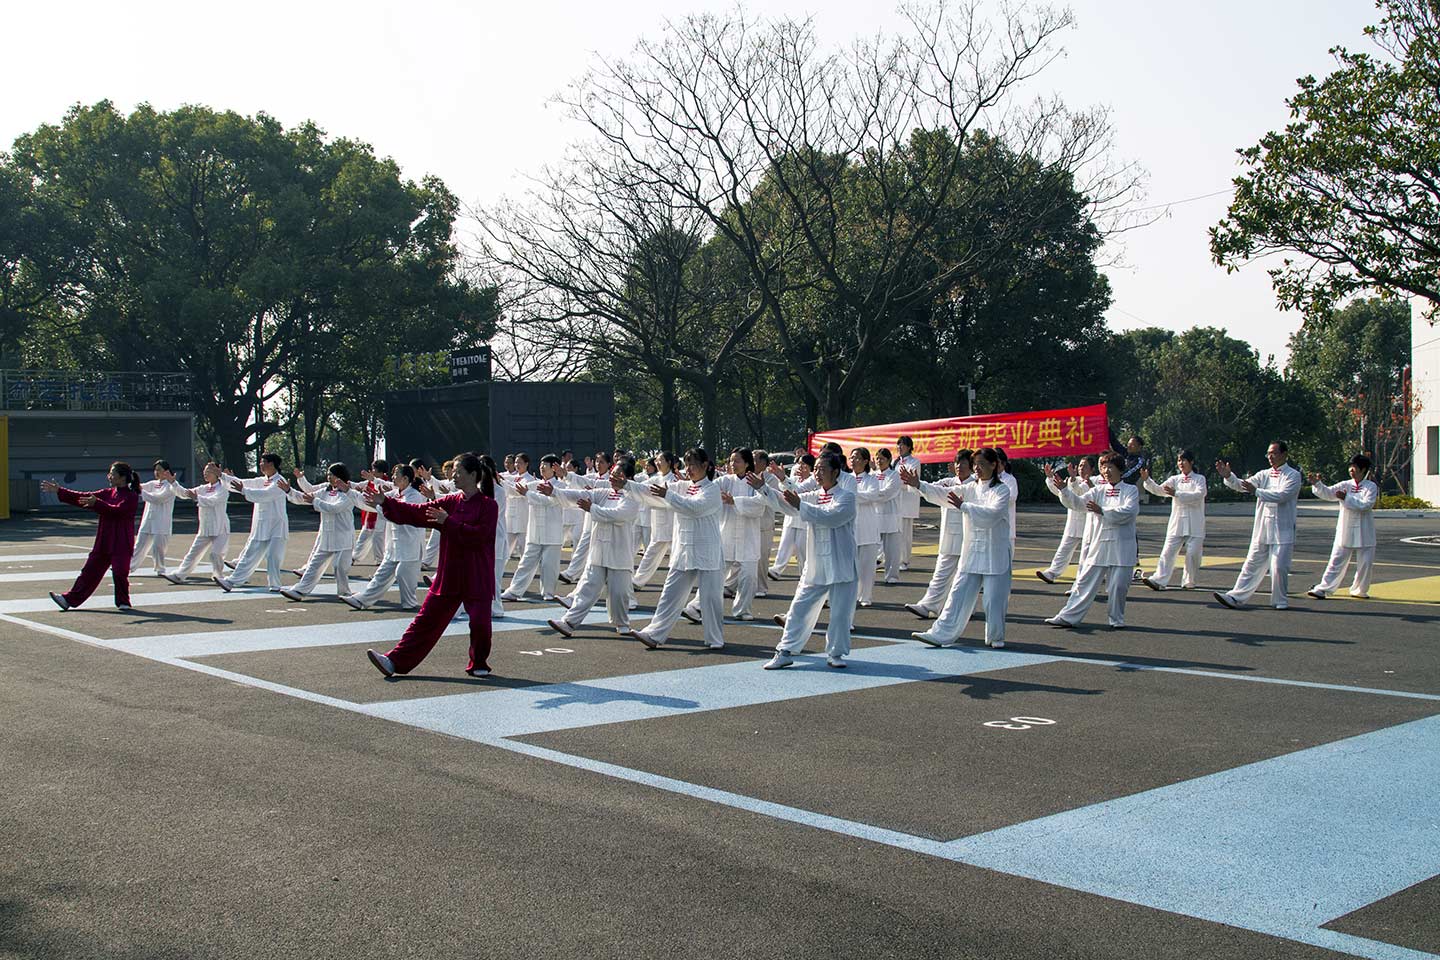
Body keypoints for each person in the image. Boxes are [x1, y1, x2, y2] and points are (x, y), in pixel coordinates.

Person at [364, 452, 499, 678]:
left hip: (477, 574)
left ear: (473, 474)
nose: (453, 476)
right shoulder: (450, 502)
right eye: (453, 472)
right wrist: (385, 502)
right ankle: (394, 661)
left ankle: (479, 663)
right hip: (450, 574)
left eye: (458, 472)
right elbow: (415, 513)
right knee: (425, 620)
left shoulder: (488, 506)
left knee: (480, 625)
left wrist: (448, 522)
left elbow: (480, 537)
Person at [761, 451, 858, 669]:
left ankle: (836, 653)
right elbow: (786, 503)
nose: (818, 473)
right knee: (798, 608)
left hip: (841, 564)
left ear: (836, 472)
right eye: (816, 470)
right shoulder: (813, 495)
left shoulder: (847, 497)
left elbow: (831, 517)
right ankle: (784, 651)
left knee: (840, 614)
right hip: (816, 564)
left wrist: (800, 505)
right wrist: (763, 488)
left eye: (822, 469)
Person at [625, 448, 725, 651]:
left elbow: (695, 508)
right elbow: (652, 492)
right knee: (669, 594)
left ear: (705, 466)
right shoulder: (681, 486)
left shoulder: (712, 490)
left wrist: (668, 495)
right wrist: (626, 485)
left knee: (710, 598)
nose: (689, 469)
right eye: (687, 464)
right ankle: (654, 633)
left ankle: (715, 639)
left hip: (707, 551)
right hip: (684, 550)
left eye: (693, 464)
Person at [912, 447, 1013, 648]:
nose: (977, 468)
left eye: (982, 464)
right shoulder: (969, 489)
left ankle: (995, 637)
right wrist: (919, 485)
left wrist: (964, 506)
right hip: (972, 551)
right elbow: (944, 494)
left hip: (995, 553)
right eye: (975, 465)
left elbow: (992, 514)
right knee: (957, 594)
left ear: (994, 465)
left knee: (993, 600)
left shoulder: (1002, 490)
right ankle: (939, 633)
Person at [547, 456, 643, 637]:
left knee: (619, 593)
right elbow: (580, 495)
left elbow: (618, 515)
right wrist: (555, 492)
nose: (612, 478)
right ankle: (569, 622)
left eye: (618, 475)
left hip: (619, 553)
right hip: (598, 550)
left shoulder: (632, 497)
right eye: (613, 474)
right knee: (586, 588)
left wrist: (592, 509)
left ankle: (622, 623)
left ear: (628, 478)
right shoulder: (604, 492)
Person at [1044, 452, 1140, 629]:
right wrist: (1064, 491)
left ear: (1120, 470)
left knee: (1118, 586)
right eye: (1104, 467)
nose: (1106, 471)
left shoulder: (1130, 490)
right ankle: (1068, 617)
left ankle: (1116, 619)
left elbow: (1129, 511)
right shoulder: (1097, 491)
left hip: (1122, 545)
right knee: (1084, 582)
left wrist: (1102, 510)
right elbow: (1079, 504)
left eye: (1110, 467)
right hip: (1100, 543)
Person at [1213, 441, 1302, 610]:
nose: (1270, 457)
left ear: (1284, 454)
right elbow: (1243, 486)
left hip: (1283, 529)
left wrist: (1257, 491)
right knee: (1251, 564)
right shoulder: (1263, 474)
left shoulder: (1293, 475)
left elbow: (1282, 496)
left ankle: (1280, 600)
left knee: (1279, 567)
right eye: (1268, 453)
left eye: (1274, 453)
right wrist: (1229, 476)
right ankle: (1235, 597)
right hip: (1263, 528)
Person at [43, 462, 141, 612]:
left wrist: (97, 503)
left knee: (120, 572)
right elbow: (83, 497)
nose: (109, 476)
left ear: (122, 477)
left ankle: (123, 602)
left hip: (121, 542)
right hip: (104, 540)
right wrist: (60, 491)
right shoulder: (108, 493)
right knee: (89, 572)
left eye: (112, 474)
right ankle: (68, 600)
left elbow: (117, 511)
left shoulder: (131, 496)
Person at [345, 464, 428, 610]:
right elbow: (370, 501)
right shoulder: (394, 493)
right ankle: (363, 600)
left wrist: (380, 505)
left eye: (396, 474)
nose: (393, 477)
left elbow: (399, 514)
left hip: (411, 546)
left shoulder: (415, 496)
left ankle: (411, 605)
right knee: (381, 575)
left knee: (403, 575)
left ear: (405, 478)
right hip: (394, 545)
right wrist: (349, 492)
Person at [902, 448, 972, 619]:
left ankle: (963, 608)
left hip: (968, 538)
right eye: (957, 463)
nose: (959, 466)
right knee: (940, 575)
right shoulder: (947, 482)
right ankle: (928, 605)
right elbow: (932, 491)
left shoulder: (975, 485)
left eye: (963, 463)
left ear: (971, 466)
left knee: (964, 579)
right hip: (948, 537)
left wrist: (920, 485)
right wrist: (916, 484)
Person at [281, 463, 362, 602]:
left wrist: (315, 501)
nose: (329, 477)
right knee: (314, 565)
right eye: (328, 474)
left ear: (340, 476)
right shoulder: (325, 490)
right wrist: (289, 491)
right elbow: (305, 497)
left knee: (339, 567)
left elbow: (334, 508)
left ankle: (345, 593)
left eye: (332, 474)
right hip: (327, 536)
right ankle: (299, 591)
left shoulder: (348, 493)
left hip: (343, 536)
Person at [215, 454, 292, 592]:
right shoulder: (261, 480)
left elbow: (265, 495)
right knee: (249, 555)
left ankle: (275, 585)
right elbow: (242, 483)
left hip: (277, 526)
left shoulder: (280, 481)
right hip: (261, 525)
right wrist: (222, 476)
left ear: (271, 464)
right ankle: (231, 581)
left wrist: (244, 490)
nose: (260, 464)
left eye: (263, 462)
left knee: (273, 556)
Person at [1307, 454, 1379, 600]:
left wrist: (1346, 498)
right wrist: (1318, 484)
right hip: (1345, 528)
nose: (1351, 470)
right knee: (1336, 561)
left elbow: (1366, 505)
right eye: (1350, 466)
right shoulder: (1345, 484)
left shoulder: (1371, 486)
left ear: (1363, 469)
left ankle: (1359, 590)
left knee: (1365, 564)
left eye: (1355, 467)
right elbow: (1329, 493)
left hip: (1364, 530)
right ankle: (1323, 588)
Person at [501, 454, 566, 602]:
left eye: (545, 465)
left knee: (549, 566)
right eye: (541, 465)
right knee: (526, 563)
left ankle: (548, 593)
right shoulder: (534, 484)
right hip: (534, 532)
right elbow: (515, 491)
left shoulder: (560, 486)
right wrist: (500, 481)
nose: (542, 468)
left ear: (554, 468)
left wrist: (528, 494)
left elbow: (549, 501)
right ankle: (514, 591)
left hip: (552, 533)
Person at [1141, 450, 1208, 591]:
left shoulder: (1199, 479)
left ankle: (1189, 581)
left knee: (1193, 554)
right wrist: (1147, 480)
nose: (1181, 463)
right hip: (1177, 522)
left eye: (1184, 460)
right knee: (1168, 551)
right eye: (1179, 460)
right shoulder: (1174, 479)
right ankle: (1158, 580)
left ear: (1191, 462)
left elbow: (1199, 495)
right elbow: (1159, 490)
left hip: (1195, 522)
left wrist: (1176, 493)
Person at [166, 462, 232, 583]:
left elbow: (213, 501)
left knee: (216, 554)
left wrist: (196, 497)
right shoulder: (202, 488)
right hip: (205, 527)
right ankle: (179, 575)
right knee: (193, 553)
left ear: (217, 473)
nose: (205, 474)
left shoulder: (223, 488)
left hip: (220, 527)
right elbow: (185, 493)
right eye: (205, 471)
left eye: (209, 471)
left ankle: (218, 576)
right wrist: (173, 483)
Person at [850, 447, 900, 607]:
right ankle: (851, 596)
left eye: (857, 458)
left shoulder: (871, 479)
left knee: (867, 565)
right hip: (850, 527)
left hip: (867, 526)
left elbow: (872, 495)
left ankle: (865, 596)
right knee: (851, 566)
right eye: (851, 458)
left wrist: (851, 496)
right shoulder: (846, 479)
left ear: (865, 461)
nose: (853, 461)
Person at [1036, 458, 1092, 585]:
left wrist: (1072, 480)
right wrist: (1050, 478)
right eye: (1080, 466)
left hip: (1088, 523)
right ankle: (1052, 573)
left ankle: (1083, 579)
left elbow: (1079, 493)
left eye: (1085, 466)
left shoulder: (1093, 482)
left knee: (1087, 554)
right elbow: (1060, 492)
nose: (1081, 469)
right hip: (1073, 523)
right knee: (1063, 550)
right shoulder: (1072, 480)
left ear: (1092, 469)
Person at [1107, 431, 1150, 582]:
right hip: (1115, 491)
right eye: (1128, 444)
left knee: (1127, 525)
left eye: (1132, 444)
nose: (1129, 446)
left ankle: (1134, 556)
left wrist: (1115, 476)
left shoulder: (1139, 461)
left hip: (1127, 493)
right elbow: (1114, 442)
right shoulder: (1124, 454)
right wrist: (1108, 427)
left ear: (1139, 447)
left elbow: (1128, 474)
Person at [633, 451, 679, 590]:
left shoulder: (675, 480)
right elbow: (642, 487)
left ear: (669, 463)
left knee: (676, 556)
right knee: (651, 554)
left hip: (673, 523)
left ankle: (673, 586)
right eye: (657, 461)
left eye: (661, 460)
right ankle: (637, 581)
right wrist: (626, 485)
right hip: (659, 524)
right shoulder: (656, 478)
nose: (657, 463)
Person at [767, 454, 813, 580]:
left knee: (802, 548)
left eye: (803, 464)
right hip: (790, 517)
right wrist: (782, 479)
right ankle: (776, 570)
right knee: (785, 544)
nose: (800, 466)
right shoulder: (795, 479)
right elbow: (783, 487)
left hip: (803, 519)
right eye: (799, 464)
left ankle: (805, 573)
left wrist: (784, 478)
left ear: (810, 466)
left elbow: (798, 490)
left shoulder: (813, 480)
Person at [131, 460, 179, 576]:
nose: (156, 472)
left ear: (166, 471)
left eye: (159, 470)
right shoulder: (153, 484)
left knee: (158, 547)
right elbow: (138, 487)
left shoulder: (171, 486)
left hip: (161, 521)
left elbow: (157, 498)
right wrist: (131, 481)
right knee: (139, 545)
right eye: (155, 470)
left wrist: (140, 491)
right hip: (148, 519)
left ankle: (160, 569)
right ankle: (128, 566)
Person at [874, 448, 905, 584]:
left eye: (882, 458)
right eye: (877, 458)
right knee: (873, 548)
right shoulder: (872, 475)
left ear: (889, 460)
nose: (879, 461)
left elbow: (887, 493)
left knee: (891, 549)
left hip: (891, 516)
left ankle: (892, 576)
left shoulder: (894, 475)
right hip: (875, 515)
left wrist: (869, 496)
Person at [895, 435, 923, 571]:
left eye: (903, 445)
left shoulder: (914, 462)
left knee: (905, 533)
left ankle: (904, 561)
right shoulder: (895, 462)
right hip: (895, 501)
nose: (899, 447)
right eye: (898, 444)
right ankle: (893, 559)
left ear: (909, 447)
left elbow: (909, 480)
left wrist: (894, 482)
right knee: (894, 532)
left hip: (907, 501)